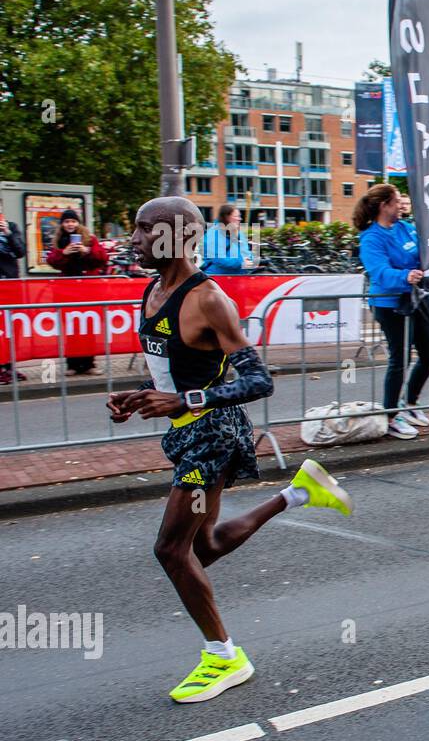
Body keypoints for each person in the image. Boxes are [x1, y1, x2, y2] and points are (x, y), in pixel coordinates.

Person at [108, 196, 352, 702]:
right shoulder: (153, 290)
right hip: (185, 432)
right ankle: (299, 493)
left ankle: (224, 656)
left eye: (141, 229)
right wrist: (139, 395)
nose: (132, 239)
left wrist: (185, 398)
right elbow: (171, 366)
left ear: (174, 237)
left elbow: (260, 381)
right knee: (204, 547)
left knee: (170, 549)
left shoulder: (208, 299)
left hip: (213, 437)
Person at [355, 183, 429, 439]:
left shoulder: (405, 229)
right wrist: (406, 276)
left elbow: (421, 253)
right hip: (389, 304)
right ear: (384, 206)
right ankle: (390, 415)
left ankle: (410, 403)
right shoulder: (371, 238)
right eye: (397, 201)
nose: (401, 205)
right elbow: (379, 271)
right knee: (399, 360)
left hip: (414, 299)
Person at [45, 209, 109, 375]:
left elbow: (102, 258)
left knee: (88, 326)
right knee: (71, 328)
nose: (70, 224)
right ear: (62, 224)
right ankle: (72, 365)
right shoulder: (59, 241)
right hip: (67, 291)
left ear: (78, 223)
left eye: (73, 221)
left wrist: (86, 251)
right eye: (67, 222)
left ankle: (89, 364)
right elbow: (52, 260)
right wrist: (63, 253)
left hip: (88, 289)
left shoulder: (90, 239)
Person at [0, 208, 27, 384]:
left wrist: (7, 233)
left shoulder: (11, 227)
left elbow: (20, 251)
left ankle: (9, 366)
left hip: (11, 285)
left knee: (11, 328)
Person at [200, 204, 254, 275]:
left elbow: (246, 253)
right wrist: (241, 262)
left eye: (239, 216)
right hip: (217, 278)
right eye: (236, 216)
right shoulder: (213, 234)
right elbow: (219, 260)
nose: (239, 219)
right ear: (226, 217)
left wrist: (250, 260)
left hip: (238, 277)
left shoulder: (239, 233)